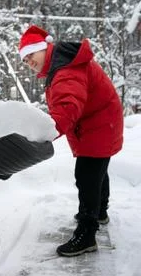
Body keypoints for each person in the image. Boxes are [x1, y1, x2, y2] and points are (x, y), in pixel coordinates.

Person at [18, 25, 123, 257]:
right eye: (24, 60)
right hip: (102, 122)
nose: (29, 62)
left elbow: (67, 107)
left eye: (31, 55)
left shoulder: (65, 69)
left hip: (98, 125)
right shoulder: (62, 64)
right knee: (97, 171)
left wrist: (43, 133)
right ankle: (100, 212)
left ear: (43, 48)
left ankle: (86, 235)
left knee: (87, 176)